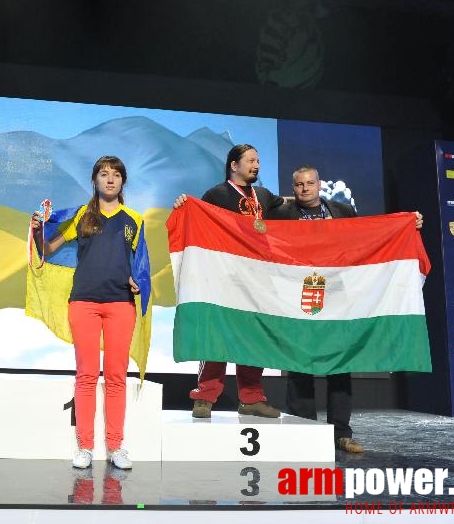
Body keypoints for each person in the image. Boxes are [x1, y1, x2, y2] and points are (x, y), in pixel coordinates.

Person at [267, 165, 423, 453]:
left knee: (339, 367)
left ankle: (341, 434)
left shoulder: (342, 211)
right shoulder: (279, 214)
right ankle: (305, 434)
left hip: (337, 297)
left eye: (310, 183)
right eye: (299, 185)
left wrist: (407, 224)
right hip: (298, 296)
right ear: (294, 187)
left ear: (319, 183)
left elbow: (368, 237)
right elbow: (252, 232)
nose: (305, 189)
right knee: (299, 365)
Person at [31, 156, 142, 470]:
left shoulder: (134, 219)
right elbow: (49, 249)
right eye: (104, 174)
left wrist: (138, 281)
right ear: (94, 180)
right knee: (87, 375)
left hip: (121, 305)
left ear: (123, 182)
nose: (110, 180)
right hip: (84, 303)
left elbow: (143, 264)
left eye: (116, 175)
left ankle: (117, 446)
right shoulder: (83, 215)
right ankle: (85, 447)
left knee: (117, 376)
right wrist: (38, 231)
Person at [173, 143, 283, 419]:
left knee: (254, 337)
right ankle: (205, 396)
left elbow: (288, 209)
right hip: (223, 278)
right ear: (234, 165)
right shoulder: (216, 195)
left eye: (258, 161)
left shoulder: (264, 196)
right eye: (250, 161)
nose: (256, 165)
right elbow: (195, 220)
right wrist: (183, 206)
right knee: (216, 335)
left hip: (257, 279)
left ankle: (252, 398)